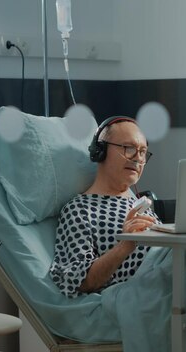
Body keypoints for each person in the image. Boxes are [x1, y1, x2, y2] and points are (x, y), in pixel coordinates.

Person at [49, 116, 160, 297]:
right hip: (150, 291)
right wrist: (125, 245)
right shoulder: (79, 210)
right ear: (100, 150)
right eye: (129, 148)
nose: (138, 159)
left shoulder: (141, 206)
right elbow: (80, 280)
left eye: (143, 152)